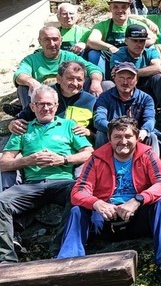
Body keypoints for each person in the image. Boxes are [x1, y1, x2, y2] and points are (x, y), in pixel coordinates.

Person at [59, 116, 161, 286]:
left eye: (127, 136)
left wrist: (138, 199)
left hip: (137, 216)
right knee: (77, 211)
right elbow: (78, 191)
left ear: (136, 137)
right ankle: (68, 266)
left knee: (160, 203)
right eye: (117, 137)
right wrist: (97, 203)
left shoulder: (147, 154)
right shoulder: (97, 158)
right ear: (109, 138)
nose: (123, 141)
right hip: (105, 219)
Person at [0, 85, 93, 263]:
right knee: (1, 202)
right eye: (40, 104)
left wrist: (63, 160)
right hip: (31, 184)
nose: (46, 108)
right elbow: (3, 163)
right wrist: (27, 160)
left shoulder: (68, 125)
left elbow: (89, 152)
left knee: (79, 194)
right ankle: (6, 259)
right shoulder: (23, 128)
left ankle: (59, 252)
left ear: (57, 105)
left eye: (50, 104)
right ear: (32, 107)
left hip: (63, 182)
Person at [14, 26, 103, 108]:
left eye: (55, 39)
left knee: (106, 85)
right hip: (43, 98)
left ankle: (99, 116)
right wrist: (32, 83)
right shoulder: (31, 60)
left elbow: (93, 68)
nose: (52, 44)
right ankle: (29, 118)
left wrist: (95, 82)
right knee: (22, 88)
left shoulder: (70, 57)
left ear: (61, 41)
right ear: (39, 41)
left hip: (69, 93)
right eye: (46, 40)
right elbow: (19, 75)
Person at [8, 60, 96, 137]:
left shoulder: (90, 101)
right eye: (70, 78)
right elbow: (20, 119)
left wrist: (89, 133)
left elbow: (97, 133)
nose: (75, 83)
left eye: (79, 79)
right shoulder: (45, 95)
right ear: (59, 79)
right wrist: (13, 124)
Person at [107, 25, 161, 123]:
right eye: (135, 41)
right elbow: (117, 74)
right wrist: (145, 71)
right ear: (126, 41)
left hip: (148, 88)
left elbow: (158, 68)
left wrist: (134, 72)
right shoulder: (119, 55)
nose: (139, 44)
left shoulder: (150, 51)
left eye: (142, 41)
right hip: (126, 89)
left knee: (158, 78)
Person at [86, 0, 156, 75]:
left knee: (153, 48)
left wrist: (131, 47)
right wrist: (110, 47)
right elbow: (91, 41)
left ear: (129, 9)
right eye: (115, 7)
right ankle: (100, 79)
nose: (120, 10)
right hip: (111, 56)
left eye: (123, 7)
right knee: (93, 54)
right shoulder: (103, 25)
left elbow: (152, 38)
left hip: (132, 56)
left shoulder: (136, 24)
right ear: (110, 9)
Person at [94, 61, 159, 152]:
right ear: (115, 78)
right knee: (100, 134)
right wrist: (115, 129)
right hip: (113, 136)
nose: (125, 82)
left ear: (136, 80)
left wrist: (144, 131)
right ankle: (99, 163)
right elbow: (99, 119)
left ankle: (153, 165)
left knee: (152, 136)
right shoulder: (105, 97)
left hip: (136, 136)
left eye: (130, 78)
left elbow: (150, 119)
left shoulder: (146, 98)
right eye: (121, 77)